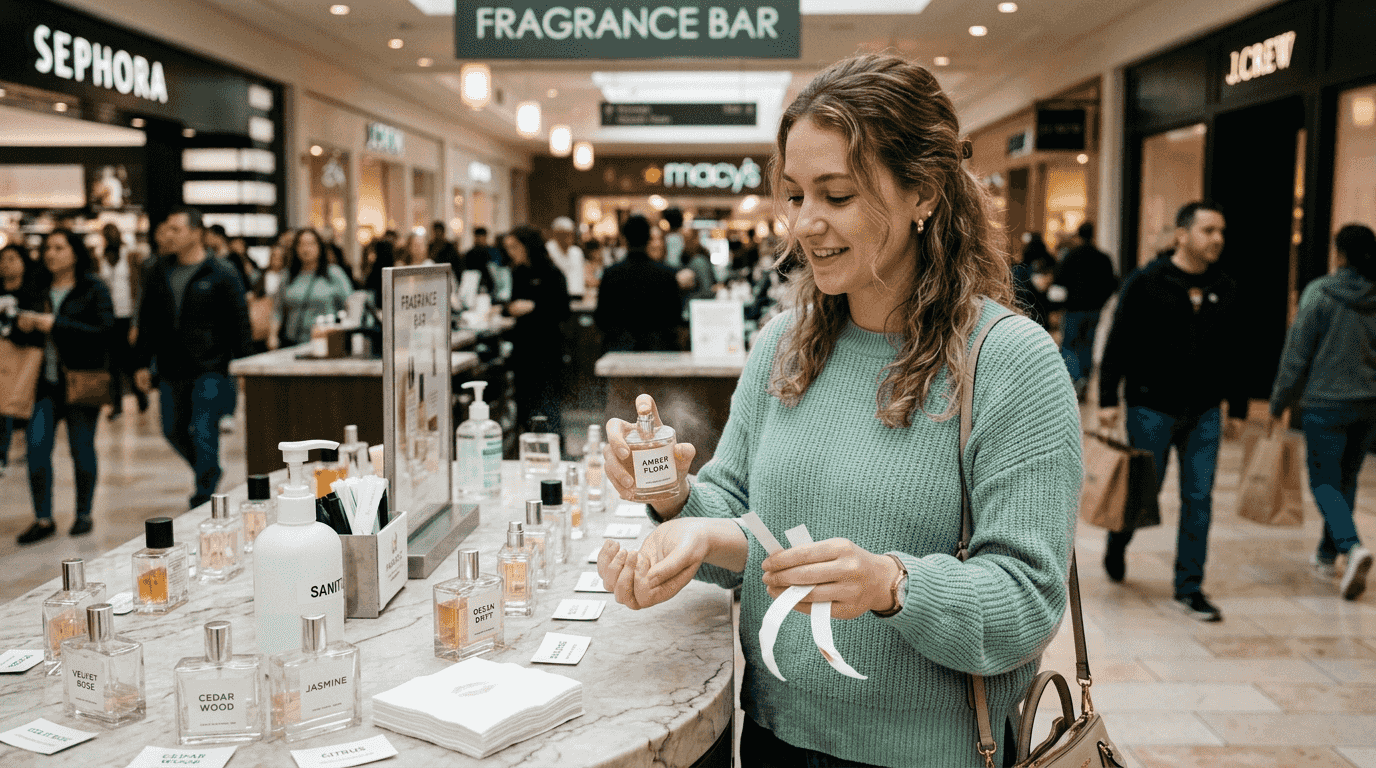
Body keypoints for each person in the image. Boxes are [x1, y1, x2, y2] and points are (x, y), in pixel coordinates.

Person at [595, 54, 1079, 768]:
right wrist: (674, 500)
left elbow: (1028, 601)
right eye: (795, 195)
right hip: (775, 734)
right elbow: (740, 518)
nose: (805, 223)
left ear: (924, 193)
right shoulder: (784, 345)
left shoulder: (1010, 363)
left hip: (932, 754)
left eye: (838, 194)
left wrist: (893, 585)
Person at [1097, 201, 1247, 621]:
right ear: (1182, 235)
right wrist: (1107, 398)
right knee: (1144, 489)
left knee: (1198, 498)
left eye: (1221, 231)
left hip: (1204, 411)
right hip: (1151, 406)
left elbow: (1236, 350)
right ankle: (1118, 541)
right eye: (1208, 230)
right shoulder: (1147, 281)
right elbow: (1119, 340)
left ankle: (1189, 587)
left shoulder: (1226, 286)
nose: (1217, 239)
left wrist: (1237, 406)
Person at [1270, 223, 1376, 600]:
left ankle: (1351, 546)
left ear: (1339, 253)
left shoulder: (1320, 292)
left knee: (1324, 482)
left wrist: (1279, 401)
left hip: (1324, 404)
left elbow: (1296, 353)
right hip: (1368, 405)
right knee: (1346, 480)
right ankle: (1326, 556)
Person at [133, 207, 253, 509]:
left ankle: (203, 492)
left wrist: (244, 365)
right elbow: (147, 321)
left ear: (197, 233)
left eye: (177, 229)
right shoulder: (158, 270)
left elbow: (239, 322)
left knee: (203, 429)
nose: (169, 235)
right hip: (170, 367)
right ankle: (208, 470)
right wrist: (141, 362)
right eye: (168, 229)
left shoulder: (222, 272)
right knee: (172, 429)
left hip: (210, 366)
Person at [15, 230, 115, 543]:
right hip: (43, 384)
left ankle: (83, 513)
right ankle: (43, 518)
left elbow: (105, 331)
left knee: (81, 449)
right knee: (36, 449)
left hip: (81, 380)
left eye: (59, 247)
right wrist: (22, 324)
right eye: (48, 248)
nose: (51, 253)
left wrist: (56, 324)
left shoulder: (93, 287)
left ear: (75, 253)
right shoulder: (35, 288)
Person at [501, 225, 570, 439]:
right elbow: (511, 304)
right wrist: (508, 309)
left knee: (547, 404)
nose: (511, 252)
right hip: (523, 349)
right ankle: (528, 447)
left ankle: (553, 447)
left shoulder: (552, 272)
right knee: (525, 404)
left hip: (547, 349)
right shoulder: (517, 272)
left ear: (527, 246)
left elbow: (563, 310)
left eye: (514, 247)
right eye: (508, 248)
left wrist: (533, 307)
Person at [594, 215, 680, 352]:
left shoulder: (611, 274)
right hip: (658, 351)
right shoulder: (666, 274)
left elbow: (601, 318)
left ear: (624, 238)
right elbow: (674, 317)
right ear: (648, 238)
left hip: (619, 350)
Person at [1053, 222, 1118, 399]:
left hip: (1073, 309)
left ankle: (1076, 377)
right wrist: (1101, 302)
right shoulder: (1103, 258)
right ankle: (1085, 379)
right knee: (1087, 345)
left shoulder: (1071, 256)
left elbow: (1059, 280)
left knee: (1068, 345)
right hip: (1094, 309)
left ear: (1079, 236)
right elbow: (1112, 283)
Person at [97, 223, 147, 418]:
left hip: (127, 314)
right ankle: (116, 403)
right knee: (112, 362)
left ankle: (140, 396)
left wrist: (136, 322)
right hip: (108, 316)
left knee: (130, 360)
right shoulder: (100, 257)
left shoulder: (130, 256)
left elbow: (139, 289)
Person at [274, 228, 354, 347]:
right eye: (301, 244)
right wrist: (273, 336)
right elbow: (277, 309)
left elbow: (350, 304)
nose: (306, 249)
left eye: (311, 244)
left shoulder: (334, 273)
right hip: (292, 341)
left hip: (326, 341)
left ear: (320, 247)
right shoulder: (288, 276)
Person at [0, 242, 40, 478]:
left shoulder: (32, 293)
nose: (6, 264)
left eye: (12, 259)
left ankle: (28, 446)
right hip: (2, 358)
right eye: (3, 259)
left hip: (24, 358)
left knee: (20, 404)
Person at [546, 216, 586, 300]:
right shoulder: (548, 250)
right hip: (556, 296)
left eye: (570, 234)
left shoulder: (576, 252)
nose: (567, 238)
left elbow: (580, 275)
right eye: (563, 235)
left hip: (577, 295)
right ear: (555, 234)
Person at [460, 227, 499, 295]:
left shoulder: (492, 252)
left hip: (491, 286)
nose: (479, 239)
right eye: (478, 237)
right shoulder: (469, 254)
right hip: (473, 286)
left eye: (481, 237)